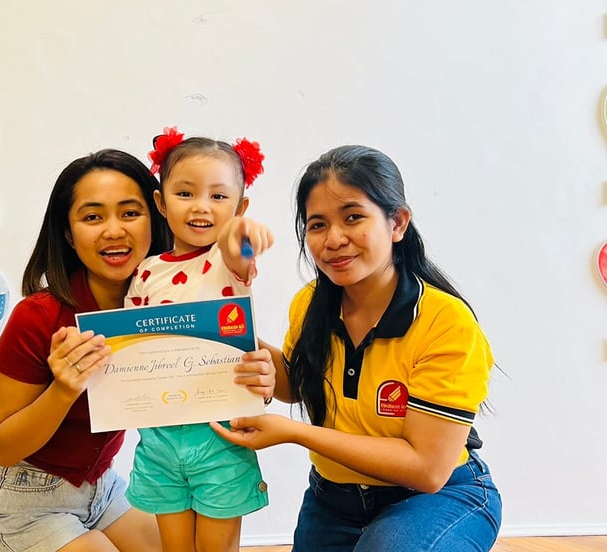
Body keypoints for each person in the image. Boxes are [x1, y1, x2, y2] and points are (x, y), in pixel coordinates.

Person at [0, 148, 268, 552]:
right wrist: (63, 389)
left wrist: (259, 372)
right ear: (69, 233)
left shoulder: (164, 292)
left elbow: (239, 267)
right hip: (24, 498)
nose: (113, 230)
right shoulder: (38, 316)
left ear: (155, 215)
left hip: (103, 490)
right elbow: (3, 448)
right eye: (93, 217)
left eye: (129, 213)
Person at [212, 145, 503, 551]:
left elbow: (427, 469)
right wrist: (234, 344)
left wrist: (296, 433)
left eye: (353, 217)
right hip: (332, 499)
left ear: (397, 223)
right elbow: (297, 384)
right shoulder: (310, 303)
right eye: (317, 224)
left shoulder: (445, 322)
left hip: (436, 498)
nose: (334, 239)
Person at [123, 127, 275, 552]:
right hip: (159, 438)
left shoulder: (229, 261)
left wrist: (244, 234)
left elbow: (239, 247)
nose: (201, 206)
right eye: (185, 193)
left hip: (221, 435)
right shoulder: (146, 271)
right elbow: (131, 347)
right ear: (161, 202)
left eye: (219, 196)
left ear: (240, 206)